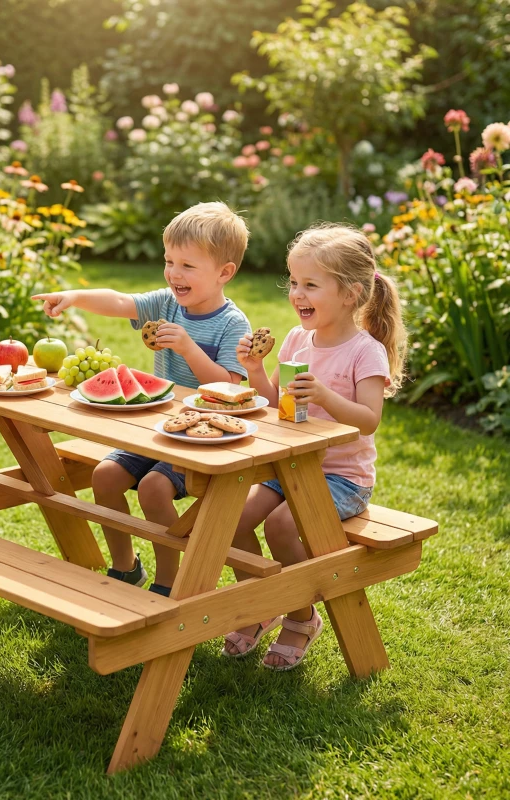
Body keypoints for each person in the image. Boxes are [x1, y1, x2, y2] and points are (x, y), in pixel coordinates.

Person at [33, 201, 251, 596]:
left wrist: (188, 349)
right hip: (159, 427)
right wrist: (74, 296)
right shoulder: (167, 303)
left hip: (202, 438)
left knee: (153, 488)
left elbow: (228, 390)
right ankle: (125, 566)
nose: (173, 273)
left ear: (224, 273)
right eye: (169, 261)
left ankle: (169, 579)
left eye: (187, 265)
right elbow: (120, 301)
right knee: (105, 476)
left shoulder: (233, 324)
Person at [222, 223, 406, 670]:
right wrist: (255, 369)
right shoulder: (296, 340)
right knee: (233, 519)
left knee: (281, 527)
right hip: (291, 467)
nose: (297, 293)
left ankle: (301, 617)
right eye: (293, 282)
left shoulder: (365, 352)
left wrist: (325, 396)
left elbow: (369, 419)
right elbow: (276, 404)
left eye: (310, 285)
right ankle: (260, 603)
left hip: (343, 479)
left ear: (350, 294)